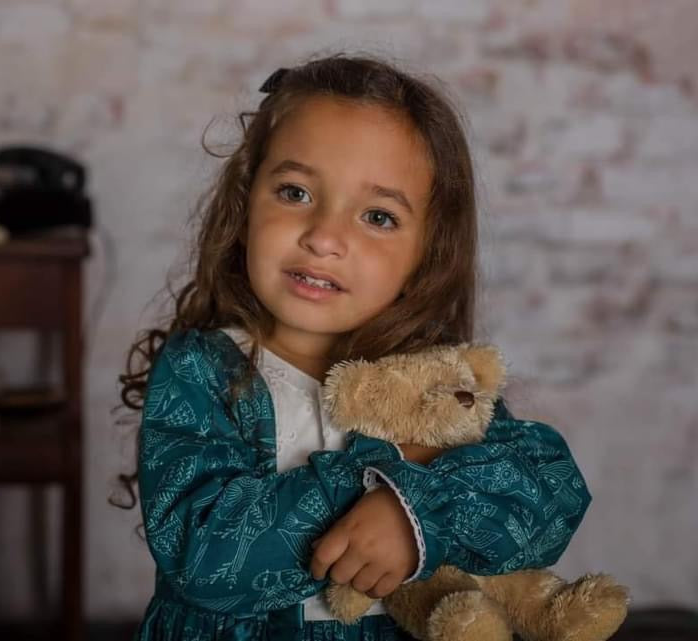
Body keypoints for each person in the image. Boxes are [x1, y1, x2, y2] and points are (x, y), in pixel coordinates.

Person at [114, 53, 592, 640]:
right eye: (294, 192)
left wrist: (413, 515)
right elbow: (204, 555)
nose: (324, 238)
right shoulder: (203, 369)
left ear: (428, 255)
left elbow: (552, 490)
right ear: (244, 204)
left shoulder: (433, 381)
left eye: (378, 217)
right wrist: (379, 475)